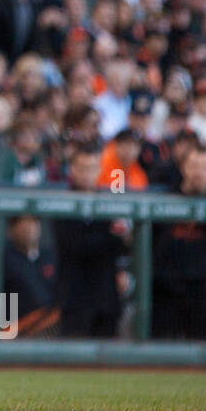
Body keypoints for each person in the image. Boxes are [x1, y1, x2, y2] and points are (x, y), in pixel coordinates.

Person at [151, 142, 206, 340]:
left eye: (205, 167)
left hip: (205, 293)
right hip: (166, 294)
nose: (198, 172)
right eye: (194, 166)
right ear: (183, 168)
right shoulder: (164, 201)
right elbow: (149, 249)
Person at [51, 144, 129, 337]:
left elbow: (123, 243)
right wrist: (109, 239)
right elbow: (73, 244)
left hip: (106, 296)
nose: (87, 173)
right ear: (72, 170)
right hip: (74, 296)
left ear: (99, 170)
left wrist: (112, 240)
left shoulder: (110, 203)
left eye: (92, 168)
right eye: (82, 168)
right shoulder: (60, 203)